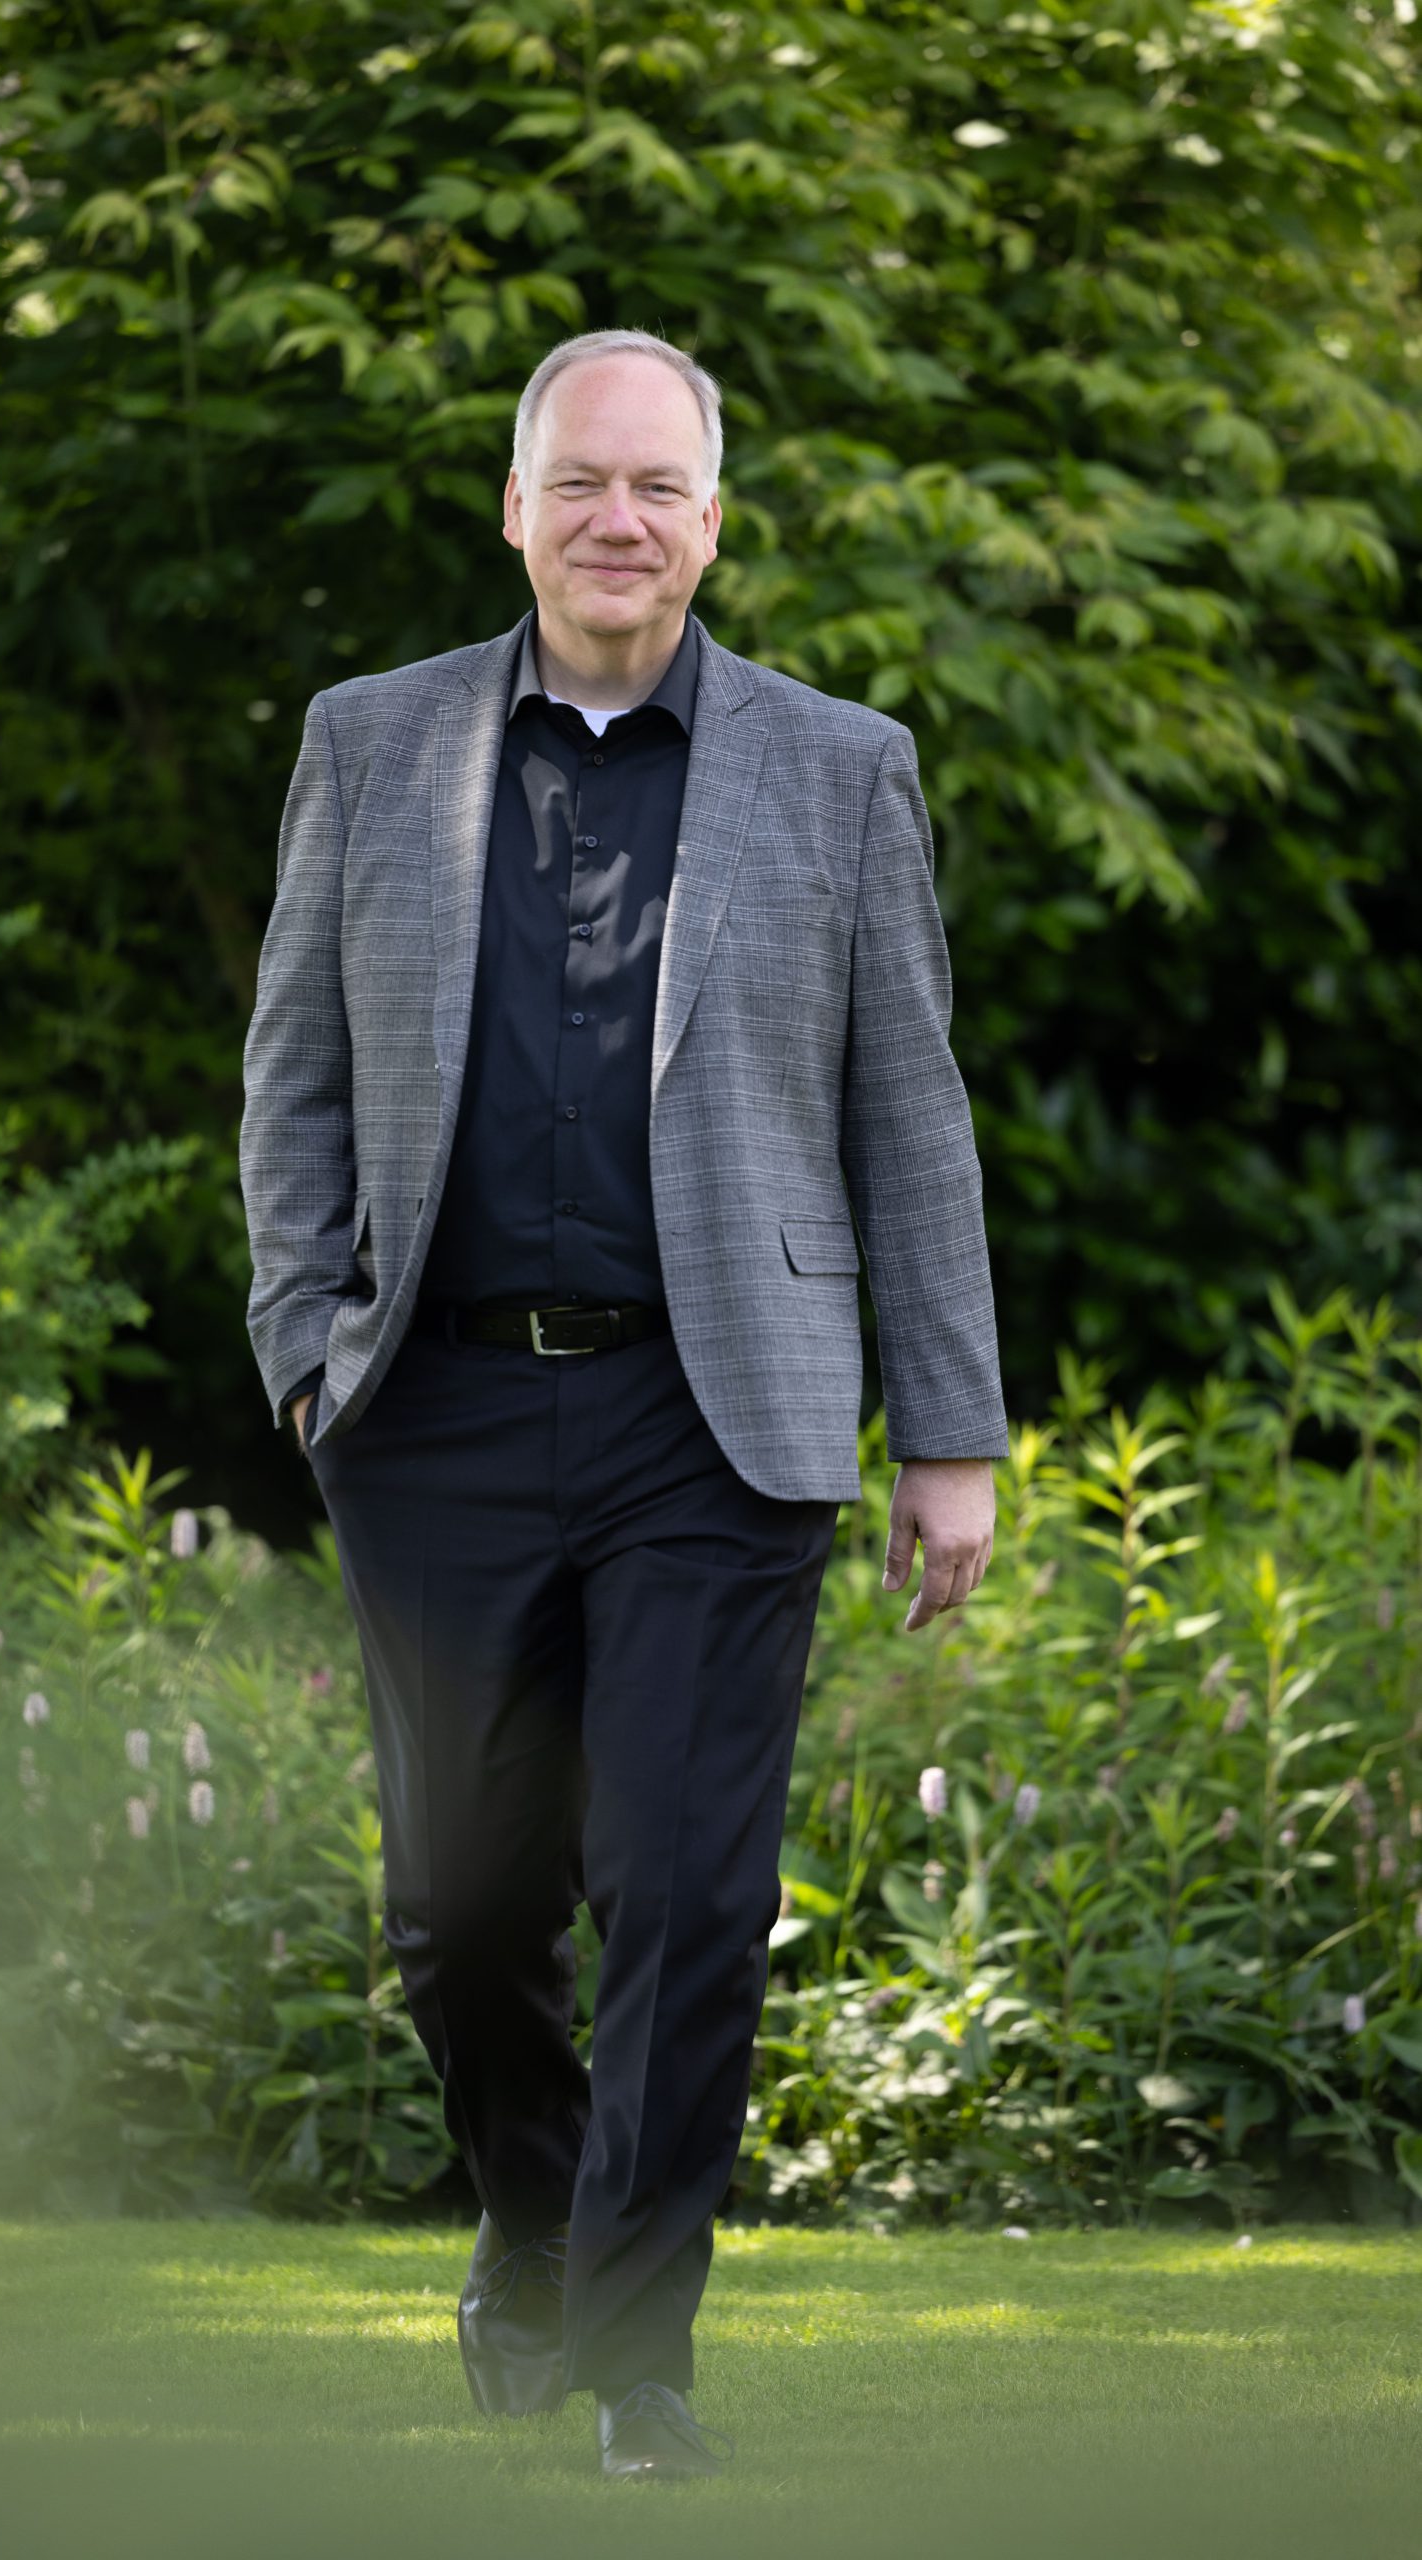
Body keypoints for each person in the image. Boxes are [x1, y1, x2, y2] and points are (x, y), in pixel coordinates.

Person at [238, 327, 1006, 2480]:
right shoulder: (371, 741)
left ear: (711, 522)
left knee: (682, 1889)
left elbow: (909, 1112)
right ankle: (532, 2223)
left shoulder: (836, 767)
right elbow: (293, 1069)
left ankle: (638, 2355)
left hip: (717, 1414)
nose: (617, 519)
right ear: (515, 508)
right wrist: (303, 1343)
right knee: (461, 1912)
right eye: (580, 480)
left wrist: (948, 1434)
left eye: (658, 486)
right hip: (432, 1414)